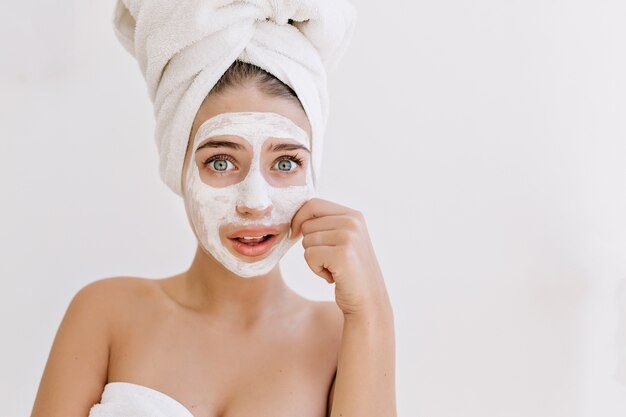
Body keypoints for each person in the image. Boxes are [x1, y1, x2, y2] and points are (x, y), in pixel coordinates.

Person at [30, 2, 396, 417]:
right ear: (178, 163)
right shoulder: (105, 314)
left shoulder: (341, 336)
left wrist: (373, 311)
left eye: (285, 162)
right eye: (221, 162)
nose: (255, 202)